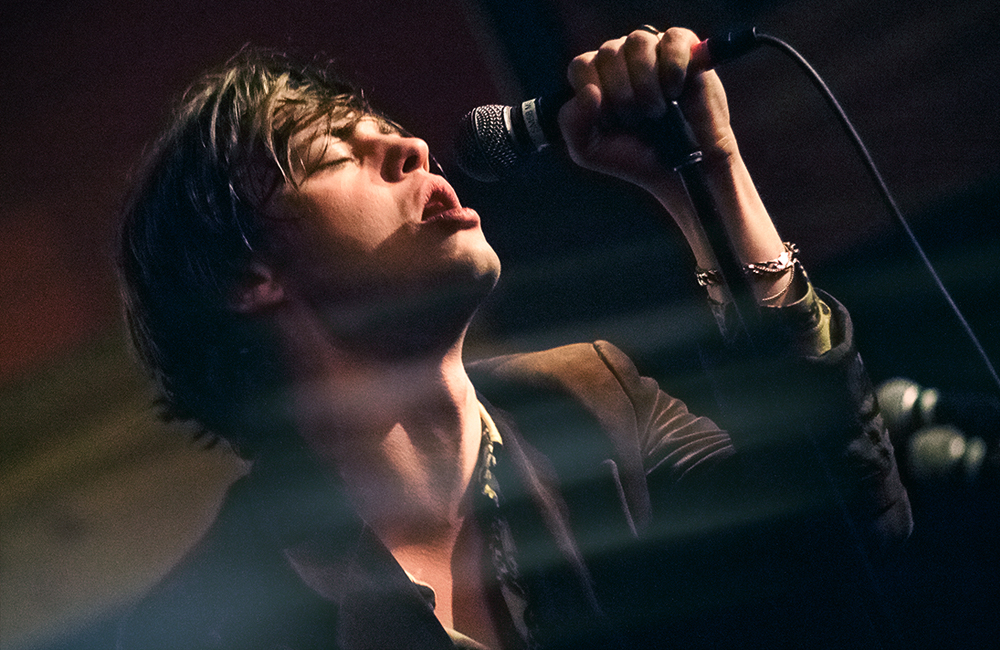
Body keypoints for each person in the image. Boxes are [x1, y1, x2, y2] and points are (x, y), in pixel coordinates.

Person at [116, 25, 912, 650]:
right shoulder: (216, 622)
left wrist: (706, 171)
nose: (412, 148)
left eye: (389, 132)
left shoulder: (591, 398)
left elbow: (844, 515)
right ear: (249, 279)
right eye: (335, 154)